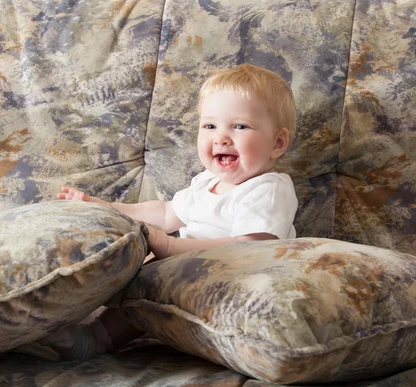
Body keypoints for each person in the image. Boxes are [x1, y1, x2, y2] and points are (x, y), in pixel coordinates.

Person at [41, 63, 299, 360]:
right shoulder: (207, 182)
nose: (221, 138)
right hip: (188, 266)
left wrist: (170, 245)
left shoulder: (267, 189)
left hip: (234, 277)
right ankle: (66, 320)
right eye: (210, 126)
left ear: (277, 143)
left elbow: (253, 246)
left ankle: (96, 338)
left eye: (239, 126)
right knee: (130, 262)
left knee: (153, 276)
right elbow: (166, 214)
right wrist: (108, 207)